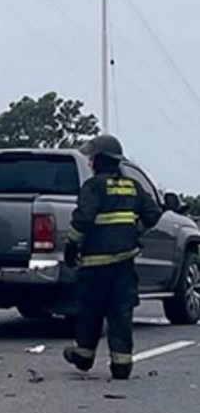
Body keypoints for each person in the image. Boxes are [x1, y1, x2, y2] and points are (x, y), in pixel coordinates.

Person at [62, 135, 162, 380]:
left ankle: (84, 356)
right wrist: (133, 231)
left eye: (91, 158)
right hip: (125, 264)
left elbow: (83, 219)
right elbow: (153, 213)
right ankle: (121, 365)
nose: (89, 162)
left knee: (90, 310)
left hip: (96, 265)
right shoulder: (132, 186)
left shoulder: (94, 186)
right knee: (121, 312)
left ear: (100, 159)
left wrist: (71, 245)